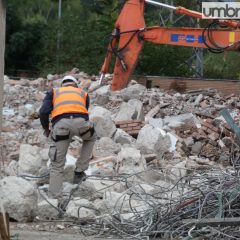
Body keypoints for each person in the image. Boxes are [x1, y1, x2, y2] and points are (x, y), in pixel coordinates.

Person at [39, 75, 96, 200]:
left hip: (61, 127)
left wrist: (46, 129)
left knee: (57, 165)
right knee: (91, 137)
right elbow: (84, 111)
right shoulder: (83, 93)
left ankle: (54, 199)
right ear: (75, 85)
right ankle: (79, 170)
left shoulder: (54, 92)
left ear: (62, 85)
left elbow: (43, 112)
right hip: (82, 124)